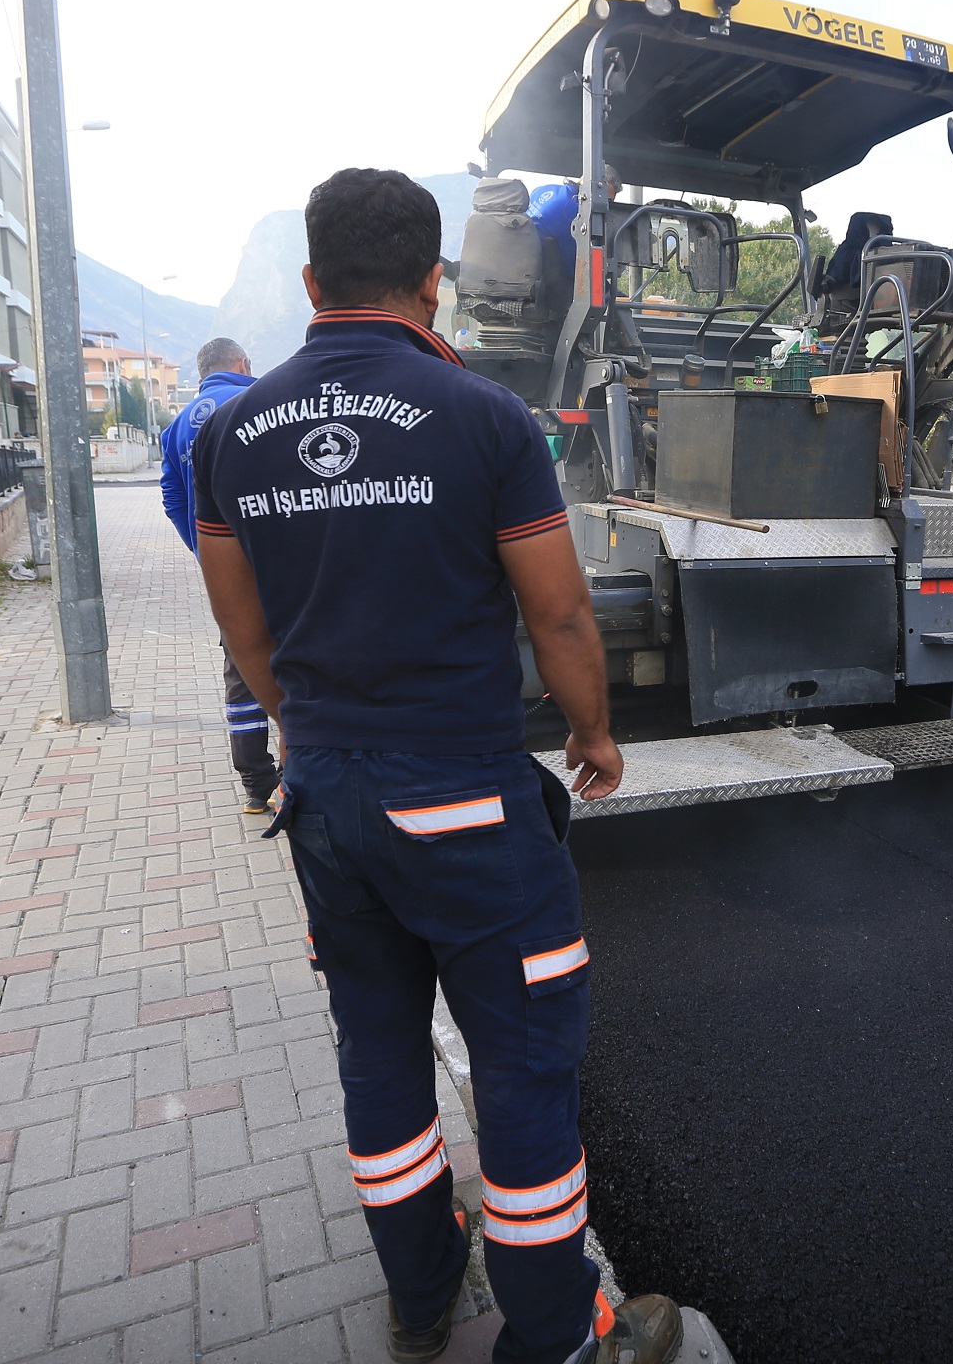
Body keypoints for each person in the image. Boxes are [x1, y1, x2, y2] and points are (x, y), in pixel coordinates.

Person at [191, 168, 685, 1364]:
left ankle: (422, 1294)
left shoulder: (229, 434)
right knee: (521, 1061)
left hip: (327, 806)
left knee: (378, 1051)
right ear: (434, 284)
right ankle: (563, 1332)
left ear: (310, 283)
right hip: (464, 805)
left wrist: (303, 729)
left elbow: (241, 631)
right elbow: (562, 617)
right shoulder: (483, 420)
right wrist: (593, 733)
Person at [159, 337, 280, 814]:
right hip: (275, 561)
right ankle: (299, 779)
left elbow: (172, 497)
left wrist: (206, 550)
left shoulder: (176, 427)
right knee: (294, 662)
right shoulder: (260, 403)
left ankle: (255, 783)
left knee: (241, 669)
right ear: (243, 364)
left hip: (224, 571)